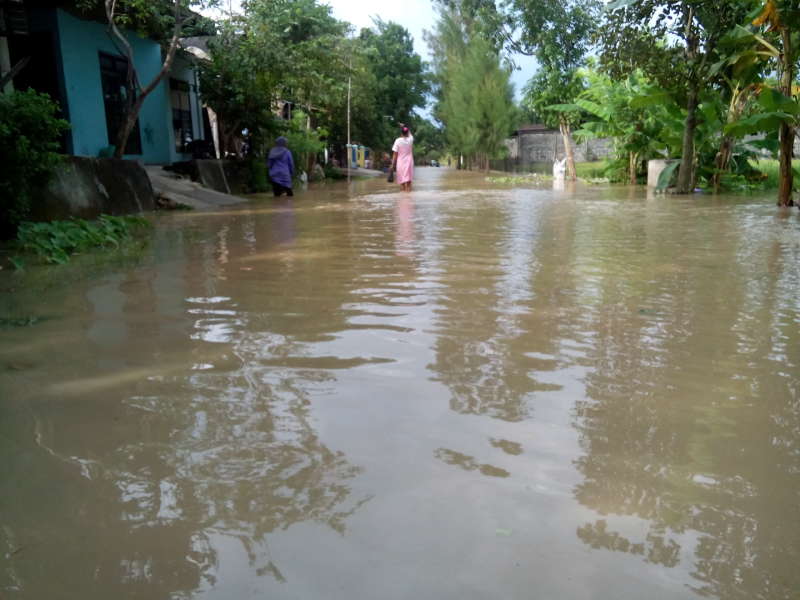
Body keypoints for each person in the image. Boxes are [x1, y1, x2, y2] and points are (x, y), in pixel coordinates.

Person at [391, 124, 414, 192]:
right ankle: (408, 195)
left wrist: (392, 164)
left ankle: (403, 196)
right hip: (409, 162)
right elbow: (410, 133)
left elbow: (395, 154)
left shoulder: (397, 140)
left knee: (402, 182)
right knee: (409, 182)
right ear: (407, 133)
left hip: (400, 163)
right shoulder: (410, 140)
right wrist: (404, 126)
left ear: (401, 133)